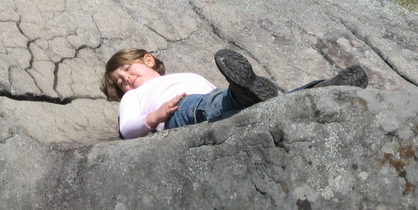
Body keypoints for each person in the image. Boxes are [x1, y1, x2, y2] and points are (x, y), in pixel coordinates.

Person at [100, 47, 368, 140]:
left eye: (127, 69)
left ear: (148, 60)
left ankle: (320, 89)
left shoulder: (183, 76)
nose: (127, 80)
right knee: (214, 104)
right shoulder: (133, 97)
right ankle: (242, 93)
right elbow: (127, 128)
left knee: (249, 105)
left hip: (210, 100)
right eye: (120, 82)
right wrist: (155, 117)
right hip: (177, 113)